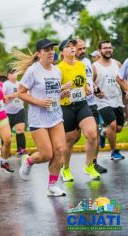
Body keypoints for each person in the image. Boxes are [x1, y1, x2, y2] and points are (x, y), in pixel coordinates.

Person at [14, 38, 66, 197]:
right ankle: (28, 160)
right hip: (38, 118)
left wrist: (62, 94)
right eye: (47, 50)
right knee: (46, 155)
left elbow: (53, 93)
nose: (51, 52)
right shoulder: (32, 71)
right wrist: (38, 102)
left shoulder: (57, 71)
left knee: (59, 151)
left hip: (55, 115)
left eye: (52, 49)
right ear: (39, 53)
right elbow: (20, 93)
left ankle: (52, 186)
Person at [57, 39, 100, 181]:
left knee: (92, 134)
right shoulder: (59, 68)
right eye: (68, 47)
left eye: (72, 46)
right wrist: (63, 88)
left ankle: (89, 165)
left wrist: (87, 89)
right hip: (66, 107)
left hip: (82, 104)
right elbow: (52, 91)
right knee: (70, 140)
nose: (72, 49)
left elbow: (82, 83)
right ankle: (66, 169)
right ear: (62, 52)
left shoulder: (81, 65)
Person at [72, 39, 107, 173]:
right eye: (80, 49)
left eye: (84, 48)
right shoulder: (69, 64)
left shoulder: (87, 62)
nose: (83, 51)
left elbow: (89, 81)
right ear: (72, 49)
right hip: (75, 104)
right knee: (74, 137)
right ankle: (63, 161)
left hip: (91, 103)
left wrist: (97, 91)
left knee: (95, 135)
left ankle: (93, 163)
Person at [92, 40, 125, 160]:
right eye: (105, 48)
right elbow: (90, 82)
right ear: (100, 50)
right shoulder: (95, 66)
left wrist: (126, 91)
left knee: (118, 128)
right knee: (112, 124)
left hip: (117, 99)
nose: (108, 50)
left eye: (110, 48)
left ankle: (103, 134)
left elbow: (122, 80)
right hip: (102, 101)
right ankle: (114, 151)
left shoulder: (117, 64)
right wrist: (97, 91)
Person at [3, 67, 28, 156]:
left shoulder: (20, 84)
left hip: (19, 110)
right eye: (12, 73)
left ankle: (21, 149)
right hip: (7, 112)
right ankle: (6, 151)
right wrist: (12, 96)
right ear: (8, 76)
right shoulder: (6, 84)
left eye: (15, 73)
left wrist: (19, 96)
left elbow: (25, 94)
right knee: (7, 134)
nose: (14, 75)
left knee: (20, 130)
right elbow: (3, 96)